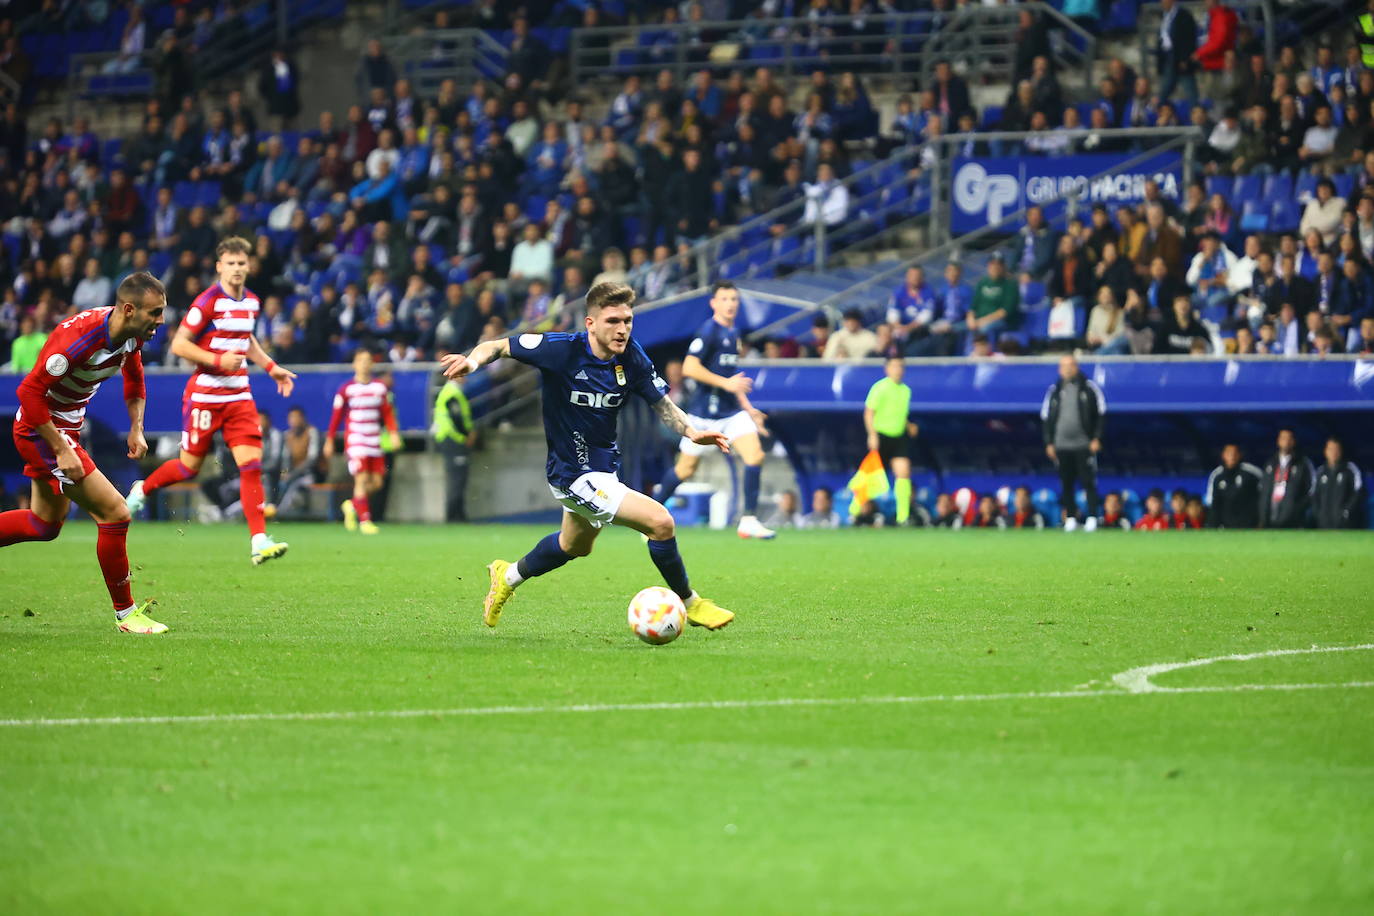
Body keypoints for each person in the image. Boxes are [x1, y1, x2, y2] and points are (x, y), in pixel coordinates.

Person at [439, 281, 736, 631]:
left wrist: (691, 431)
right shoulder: (560, 349)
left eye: (627, 320)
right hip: (571, 474)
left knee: (573, 545)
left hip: (603, 469)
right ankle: (692, 602)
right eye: (613, 320)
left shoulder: (632, 357)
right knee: (661, 523)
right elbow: (497, 346)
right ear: (591, 323)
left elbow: (661, 404)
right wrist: (471, 363)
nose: (622, 328)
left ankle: (507, 576)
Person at [0, 273, 168, 634]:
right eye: (155, 313)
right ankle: (127, 616)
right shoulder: (79, 340)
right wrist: (61, 448)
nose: (161, 321)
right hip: (41, 430)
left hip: (63, 429)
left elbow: (135, 379)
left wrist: (136, 426)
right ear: (128, 309)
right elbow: (28, 393)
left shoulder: (130, 335)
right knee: (116, 513)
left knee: (42, 525)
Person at [126, 238, 298, 565]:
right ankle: (142, 489)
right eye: (230, 263)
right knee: (188, 467)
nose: (236, 269)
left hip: (239, 397)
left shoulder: (251, 302)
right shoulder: (207, 302)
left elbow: (246, 340)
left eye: (241, 263)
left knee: (251, 466)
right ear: (220, 266)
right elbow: (179, 345)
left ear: (248, 266)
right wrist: (218, 361)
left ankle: (259, 541)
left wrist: (272, 368)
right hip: (205, 396)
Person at [653, 282, 776, 540]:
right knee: (685, 470)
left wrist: (750, 409)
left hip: (731, 414)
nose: (730, 303)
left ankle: (749, 520)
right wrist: (726, 383)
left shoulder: (734, 333)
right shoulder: (709, 330)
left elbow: (733, 378)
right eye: (725, 299)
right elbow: (689, 367)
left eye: (734, 299)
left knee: (754, 456)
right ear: (713, 303)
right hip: (703, 416)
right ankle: (651, 515)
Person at [324, 349, 401, 535]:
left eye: (368, 361)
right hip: (356, 440)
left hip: (374, 439)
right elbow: (336, 417)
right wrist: (330, 440)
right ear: (354, 364)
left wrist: (393, 433)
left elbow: (387, 413)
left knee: (376, 483)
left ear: (372, 364)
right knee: (362, 478)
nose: (364, 364)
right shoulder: (346, 389)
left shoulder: (380, 388)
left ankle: (351, 505)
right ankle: (365, 521)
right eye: (361, 361)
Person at [1040, 355, 1106, 531]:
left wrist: (1096, 438)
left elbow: (1100, 414)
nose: (1068, 369)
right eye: (1064, 366)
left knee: (1088, 481)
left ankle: (1092, 516)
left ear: (1077, 367)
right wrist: (1049, 442)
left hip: (1084, 444)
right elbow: (1046, 418)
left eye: (1071, 365)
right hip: (1061, 444)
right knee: (1066, 482)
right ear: (1059, 369)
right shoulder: (1054, 391)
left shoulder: (1089, 388)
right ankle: (1070, 517)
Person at [863, 357, 919, 526]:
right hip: (881, 436)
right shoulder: (879, 387)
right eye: (895, 366)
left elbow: (897, 413)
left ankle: (903, 515)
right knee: (870, 477)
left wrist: (908, 425)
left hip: (899, 436)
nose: (898, 369)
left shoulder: (906, 390)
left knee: (903, 473)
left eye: (901, 366)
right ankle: (857, 510)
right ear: (887, 369)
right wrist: (872, 434)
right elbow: (869, 413)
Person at [432, 372, 474, 523]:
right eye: (463, 375)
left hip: (451, 439)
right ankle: (454, 516)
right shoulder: (452, 393)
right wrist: (467, 434)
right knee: (457, 479)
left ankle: (458, 514)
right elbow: (456, 417)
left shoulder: (451, 392)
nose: (466, 378)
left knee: (458, 478)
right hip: (454, 439)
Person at [1258, 428, 1315, 529]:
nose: (1286, 442)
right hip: (1270, 516)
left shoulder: (1303, 464)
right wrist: (1263, 515)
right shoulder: (1270, 463)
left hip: (1293, 521)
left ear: (1294, 442)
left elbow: (1311, 491)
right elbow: (1263, 490)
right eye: (1283, 438)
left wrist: (1297, 510)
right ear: (1278, 441)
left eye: (1289, 439)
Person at [1205, 443, 1262, 528]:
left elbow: (1264, 496)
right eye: (1229, 453)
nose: (1232, 456)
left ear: (1240, 455)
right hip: (1225, 527)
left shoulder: (1252, 473)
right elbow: (1213, 504)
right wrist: (1213, 525)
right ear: (1223, 455)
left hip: (1250, 526)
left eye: (1235, 453)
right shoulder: (1217, 475)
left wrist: (1261, 521)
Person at [1313, 438, 1363, 529]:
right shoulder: (1320, 472)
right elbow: (1314, 495)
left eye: (1336, 449)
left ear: (1341, 451)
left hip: (1345, 524)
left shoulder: (1350, 469)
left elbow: (1358, 493)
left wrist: (1346, 511)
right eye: (1331, 449)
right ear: (1325, 451)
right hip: (1323, 523)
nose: (1334, 452)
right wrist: (1318, 513)